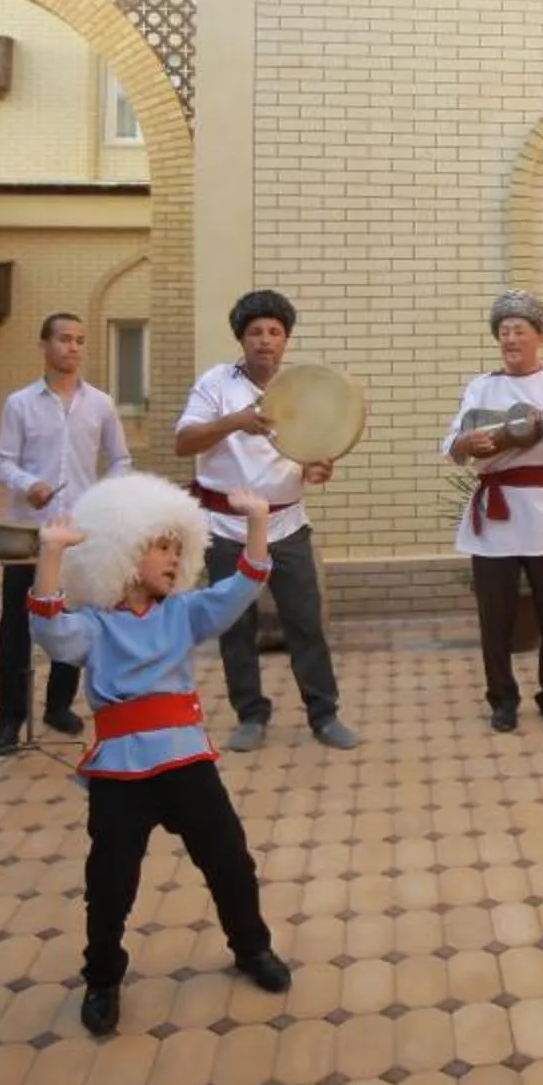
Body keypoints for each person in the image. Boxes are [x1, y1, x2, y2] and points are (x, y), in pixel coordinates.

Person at [30, 474, 292, 1035]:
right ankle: (102, 977)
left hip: (187, 763)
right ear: (121, 555)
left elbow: (244, 585)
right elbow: (50, 632)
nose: (174, 560)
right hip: (120, 775)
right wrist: (50, 554)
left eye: (179, 549)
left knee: (230, 860)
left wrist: (257, 522)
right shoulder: (96, 627)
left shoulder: (184, 612)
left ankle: (252, 948)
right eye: (160, 547)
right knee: (110, 881)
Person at [174, 289, 358, 752]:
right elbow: (184, 442)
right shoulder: (216, 383)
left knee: (306, 623)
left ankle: (324, 714)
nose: (265, 340)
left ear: (286, 340)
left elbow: (312, 453)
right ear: (241, 339)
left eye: (274, 332)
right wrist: (234, 421)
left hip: (287, 526)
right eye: (255, 332)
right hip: (227, 530)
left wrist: (317, 469)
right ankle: (250, 714)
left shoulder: (302, 386)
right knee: (236, 625)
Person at [444, 290, 543, 732]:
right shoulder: (482, 386)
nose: (510, 338)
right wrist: (470, 444)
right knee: (495, 616)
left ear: (539, 337)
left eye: (519, 330)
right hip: (495, 518)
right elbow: (452, 443)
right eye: (503, 331)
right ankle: (502, 699)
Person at [0, 313, 134, 754]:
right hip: (29, 534)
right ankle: (10, 719)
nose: (73, 348)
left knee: (73, 623)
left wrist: (102, 499)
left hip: (79, 533)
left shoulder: (101, 404)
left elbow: (121, 460)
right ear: (44, 345)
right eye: (64, 339)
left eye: (79, 340)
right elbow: (2, 460)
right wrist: (26, 484)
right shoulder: (20, 404)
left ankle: (59, 704)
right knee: (17, 628)